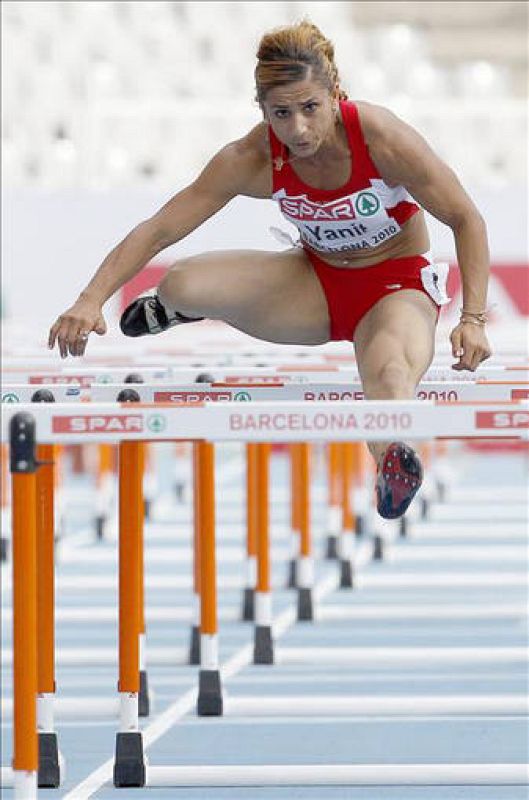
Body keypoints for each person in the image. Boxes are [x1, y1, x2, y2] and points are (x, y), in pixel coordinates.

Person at [48, 19, 492, 519]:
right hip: (314, 284)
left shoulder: (381, 139)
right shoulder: (253, 156)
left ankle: (393, 460)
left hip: (396, 286)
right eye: (281, 113)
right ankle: (178, 309)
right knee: (180, 282)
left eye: (310, 108)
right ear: (262, 111)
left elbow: (465, 219)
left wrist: (472, 317)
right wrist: (90, 297)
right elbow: (160, 228)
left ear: (335, 95)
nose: (298, 129)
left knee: (389, 372)